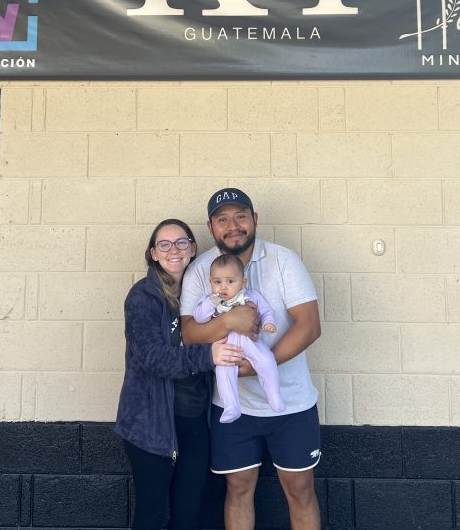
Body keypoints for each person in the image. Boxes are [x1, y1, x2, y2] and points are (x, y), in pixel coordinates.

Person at [180, 188, 322, 530]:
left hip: (291, 402)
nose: (233, 225)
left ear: (255, 219)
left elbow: (310, 325)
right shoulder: (202, 270)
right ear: (211, 226)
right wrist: (229, 321)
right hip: (233, 405)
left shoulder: (283, 259)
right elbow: (187, 333)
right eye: (223, 219)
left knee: (300, 490)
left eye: (240, 216)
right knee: (239, 489)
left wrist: (262, 364)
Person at [115, 218, 246, 530]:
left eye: (181, 242)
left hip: (195, 420)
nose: (174, 250)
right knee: (150, 515)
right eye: (164, 244)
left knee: (188, 515)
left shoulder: (208, 295)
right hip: (151, 424)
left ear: (193, 248)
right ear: (154, 254)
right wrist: (208, 355)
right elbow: (151, 358)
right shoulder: (143, 297)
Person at [193, 253, 285, 423]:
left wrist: (269, 322)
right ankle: (231, 407)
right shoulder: (211, 301)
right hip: (226, 347)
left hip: (251, 343)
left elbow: (266, 310)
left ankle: (273, 395)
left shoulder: (251, 296)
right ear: (210, 283)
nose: (223, 287)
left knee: (266, 361)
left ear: (243, 282)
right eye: (217, 282)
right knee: (224, 374)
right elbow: (199, 318)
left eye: (230, 281)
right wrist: (210, 303)